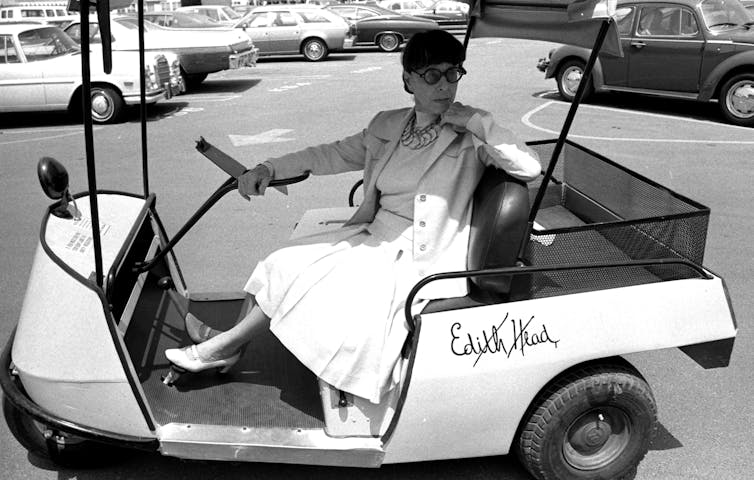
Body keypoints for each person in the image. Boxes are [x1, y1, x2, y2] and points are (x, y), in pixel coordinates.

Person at [165, 30, 541, 404]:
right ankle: (232, 345)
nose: (444, 85)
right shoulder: (388, 125)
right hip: (374, 233)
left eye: (453, 73)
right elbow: (328, 155)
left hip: (416, 256)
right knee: (280, 262)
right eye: (431, 75)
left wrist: (477, 121)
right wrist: (269, 167)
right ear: (408, 79)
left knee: (298, 274)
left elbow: (528, 167)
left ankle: (218, 349)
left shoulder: (472, 134)